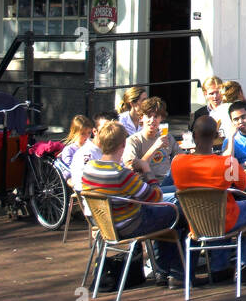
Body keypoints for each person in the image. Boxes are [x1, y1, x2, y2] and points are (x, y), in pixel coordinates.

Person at [81, 122, 186, 286]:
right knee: (179, 212)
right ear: (123, 144)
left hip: (106, 225)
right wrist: (147, 170)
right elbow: (155, 196)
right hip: (131, 225)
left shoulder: (88, 169)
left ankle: (162, 271)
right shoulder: (120, 174)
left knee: (167, 213)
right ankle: (176, 274)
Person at [172, 112, 246, 283]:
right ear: (217, 136)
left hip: (194, 222)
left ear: (193, 136)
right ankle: (245, 264)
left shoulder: (178, 162)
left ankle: (219, 266)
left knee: (219, 209)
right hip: (225, 220)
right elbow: (243, 185)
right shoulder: (226, 164)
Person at [122, 97, 175, 186]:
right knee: (178, 193)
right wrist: (155, 147)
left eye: (156, 117)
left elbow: (180, 156)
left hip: (168, 180)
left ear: (161, 119)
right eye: (148, 116)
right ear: (142, 117)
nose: (152, 120)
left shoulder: (167, 137)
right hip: (149, 185)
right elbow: (131, 167)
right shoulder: (133, 140)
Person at [71, 113, 117, 193]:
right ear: (95, 131)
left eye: (112, 130)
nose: (109, 133)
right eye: (105, 129)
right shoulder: (85, 153)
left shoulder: (116, 150)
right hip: (101, 201)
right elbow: (81, 185)